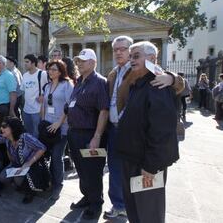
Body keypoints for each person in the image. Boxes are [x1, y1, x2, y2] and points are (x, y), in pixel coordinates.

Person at [104, 35, 184, 220]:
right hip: (131, 159)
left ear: (152, 59)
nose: (131, 60)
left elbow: (162, 132)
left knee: (149, 212)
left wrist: (151, 166)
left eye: (135, 56)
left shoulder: (159, 84)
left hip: (147, 165)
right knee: (134, 209)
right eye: (131, 56)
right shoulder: (137, 82)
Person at [67, 48, 109, 220]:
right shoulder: (79, 81)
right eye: (78, 61)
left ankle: (95, 203)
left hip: (89, 135)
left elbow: (104, 111)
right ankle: (87, 196)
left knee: (92, 170)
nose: (79, 64)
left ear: (93, 63)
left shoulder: (99, 82)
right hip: (75, 133)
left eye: (83, 61)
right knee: (81, 169)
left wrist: (97, 137)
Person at [0, 117, 48, 204]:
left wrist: (29, 163)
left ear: (13, 128)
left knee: (18, 178)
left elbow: (42, 148)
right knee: (2, 177)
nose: (1, 128)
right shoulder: (7, 138)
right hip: (16, 165)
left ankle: (30, 191)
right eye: (1, 126)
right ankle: (20, 185)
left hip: (31, 165)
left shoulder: (25, 137)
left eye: (4, 126)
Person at [40, 60, 74, 200]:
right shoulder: (47, 86)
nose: (50, 72)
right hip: (47, 126)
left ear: (60, 71)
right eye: (49, 69)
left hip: (62, 128)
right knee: (46, 154)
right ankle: (48, 180)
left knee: (56, 156)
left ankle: (57, 185)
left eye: (54, 69)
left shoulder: (67, 85)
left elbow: (69, 106)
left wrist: (59, 123)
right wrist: (42, 121)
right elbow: (44, 105)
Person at [20, 54, 49, 138]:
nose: (25, 64)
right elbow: (23, 91)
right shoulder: (25, 75)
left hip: (38, 110)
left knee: (37, 134)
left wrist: (43, 95)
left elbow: (49, 88)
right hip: (26, 110)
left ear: (33, 63)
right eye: (24, 62)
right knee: (28, 134)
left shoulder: (42, 74)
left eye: (27, 62)